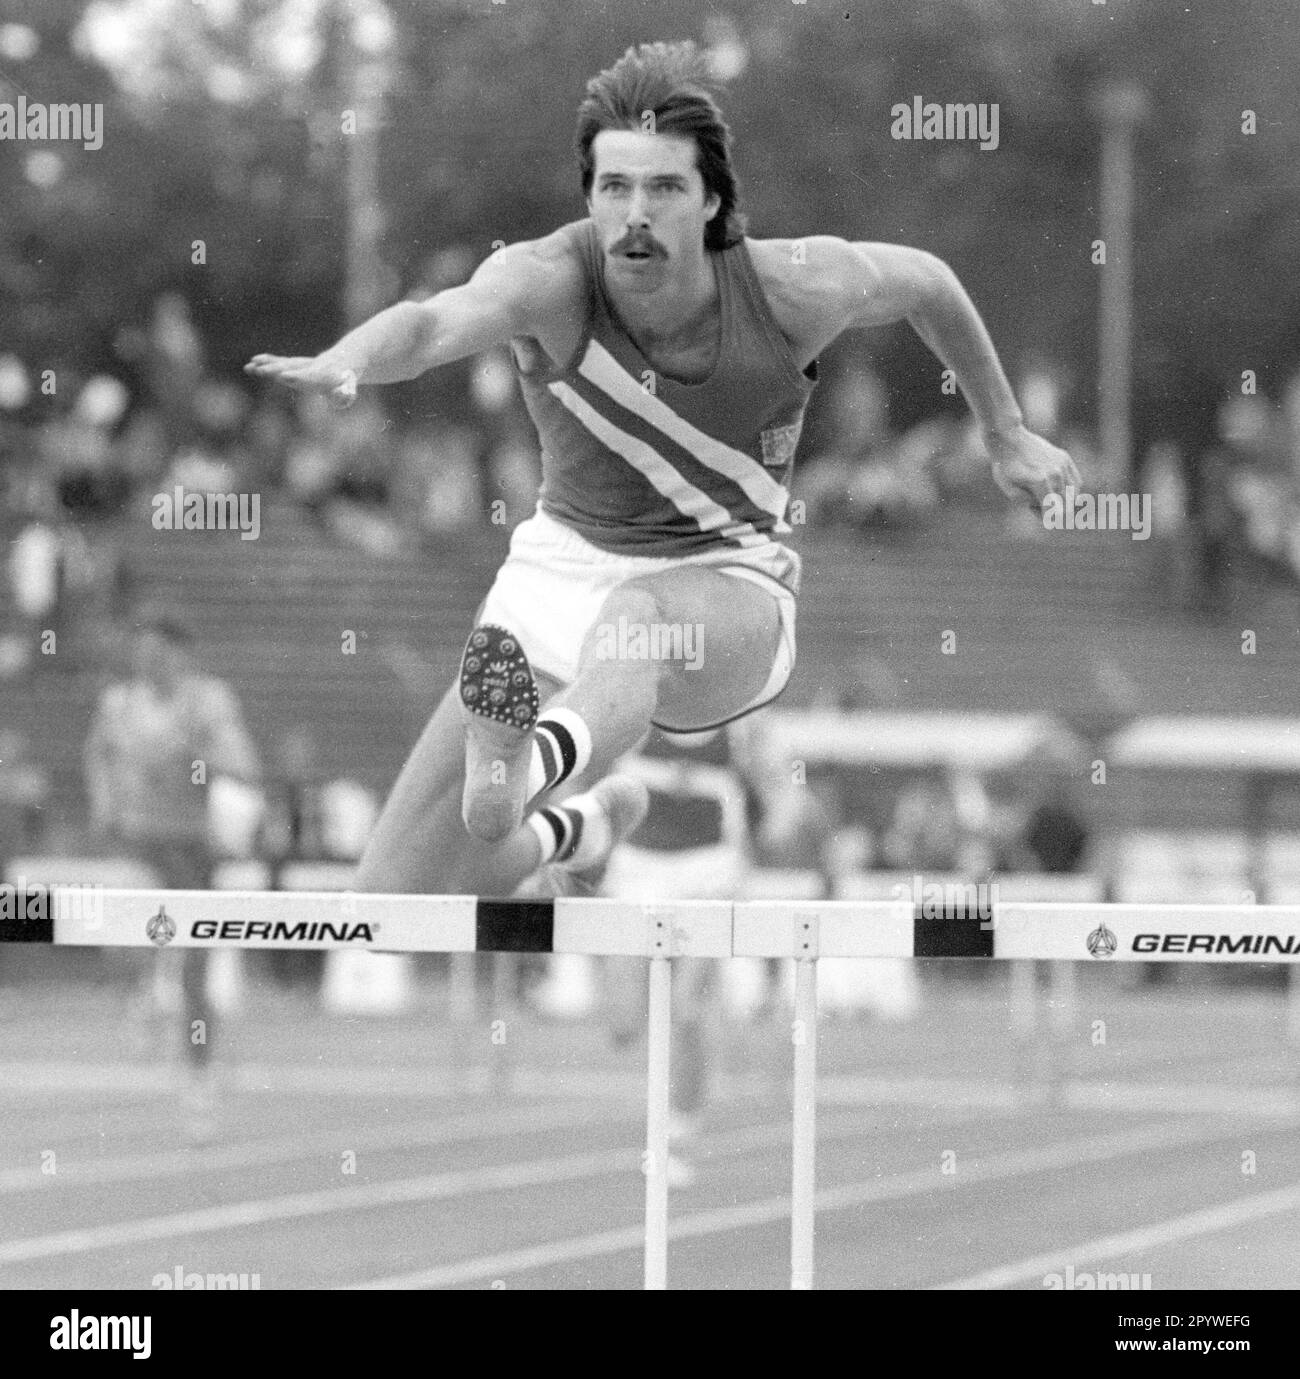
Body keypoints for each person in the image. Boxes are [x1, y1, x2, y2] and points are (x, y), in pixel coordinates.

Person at [246, 41, 1077, 900]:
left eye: (664, 188)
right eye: (615, 188)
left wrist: (1007, 431)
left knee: (632, 622)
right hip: (556, 569)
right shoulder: (546, 280)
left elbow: (931, 283)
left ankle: (523, 767)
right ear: (590, 198)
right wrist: (347, 360)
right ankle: (579, 825)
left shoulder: (791, 288)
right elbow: (427, 326)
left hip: (725, 585)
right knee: (393, 893)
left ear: (713, 201)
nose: (635, 214)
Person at [83, 609, 261, 1135]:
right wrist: (104, 802)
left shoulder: (207, 701)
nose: (149, 665)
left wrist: (201, 754)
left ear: (182, 657)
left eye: (160, 656)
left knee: (194, 975)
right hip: (136, 844)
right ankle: (144, 990)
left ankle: (199, 1079)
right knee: (129, 928)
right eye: (142, 656)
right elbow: (98, 752)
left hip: (190, 849)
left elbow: (244, 764)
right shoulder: (119, 703)